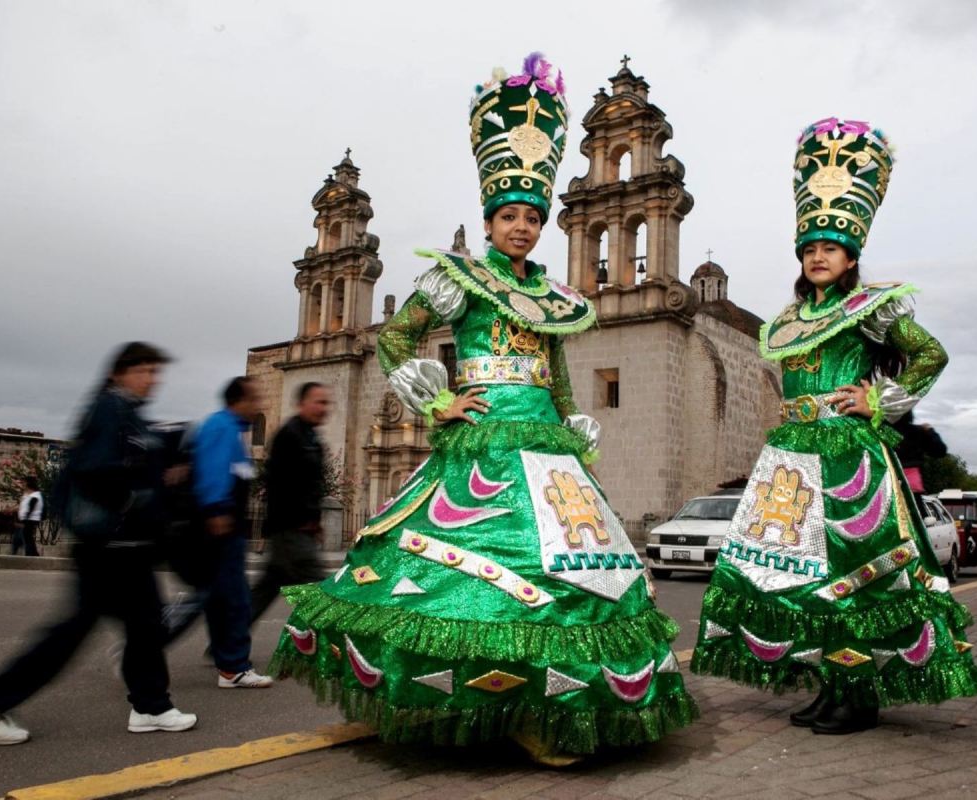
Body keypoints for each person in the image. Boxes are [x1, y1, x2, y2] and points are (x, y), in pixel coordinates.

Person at [268, 53, 697, 766]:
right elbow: (400, 336)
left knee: (566, 577)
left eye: (533, 216)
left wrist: (572, 426)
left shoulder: (554, 298)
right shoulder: (457, 277)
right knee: (470, 578)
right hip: (480, 442)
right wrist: (438, 400)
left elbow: (556, 366)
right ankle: (466, 699)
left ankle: (545, 705)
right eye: (510, 216)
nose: (524, 227)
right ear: (489, 220)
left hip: (547, 448)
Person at [690, 117, 977, 735]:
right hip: (793, 457)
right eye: (809, 248)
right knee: (800, 577)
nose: (818, 255)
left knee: (850, 574)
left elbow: (931, 353)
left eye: (830, 247)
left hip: (850, 456)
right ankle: (833, 685)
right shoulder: (790, 320)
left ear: (851, 255)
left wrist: (878, 401)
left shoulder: (868, 309)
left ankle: (861, 695)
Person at [0, 342, 196, 745]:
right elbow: (97, 472)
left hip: (127, 545)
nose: (152, 380)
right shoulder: (109, 409)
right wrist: (145, 487)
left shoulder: (129, 414)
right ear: (120, 373)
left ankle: (151, 706)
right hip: (108, 545)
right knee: (74, 631)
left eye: (155, 373)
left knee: (146, 623)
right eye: (145, 372)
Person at [169, 376, 273, 689]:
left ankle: (230, 666)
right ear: (238, 401)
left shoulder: (229, 431)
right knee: (233, 600)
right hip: (219, 529)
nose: (259, 406)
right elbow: (215, 475)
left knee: (216, 600)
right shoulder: (222, 429)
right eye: (254, 400)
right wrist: (218, 512)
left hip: (225, 529)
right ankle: (233, 666)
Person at [250, 382, 331, 624]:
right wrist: (302, 521)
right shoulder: (290, 435)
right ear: (302, 403)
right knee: (319, 591)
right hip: (291, 531)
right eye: (318, 402)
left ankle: (227, 638)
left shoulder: (310, 437)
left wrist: (315, 523)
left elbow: (312, 485)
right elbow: (281, 485)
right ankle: (327, 648)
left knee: (267, 587)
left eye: (326, 403)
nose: (323, 408)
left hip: (296, 530)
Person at [891, 412, 947, 494]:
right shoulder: (917, 432)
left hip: (886, 483)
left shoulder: (878, 431)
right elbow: (940, 451)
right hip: (912, 486)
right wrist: (930, 430)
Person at [10, 476, 43, 557]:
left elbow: (31, 507)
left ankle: (32, 553)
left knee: (27, 536)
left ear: (28, 484)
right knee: (27, 536)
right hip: (27, 519)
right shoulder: (29, 494)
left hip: (30, 519)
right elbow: (23, 506)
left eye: (24, 482)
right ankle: (33, 553)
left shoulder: (34, 496)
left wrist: (25, 518)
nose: (23, 484)